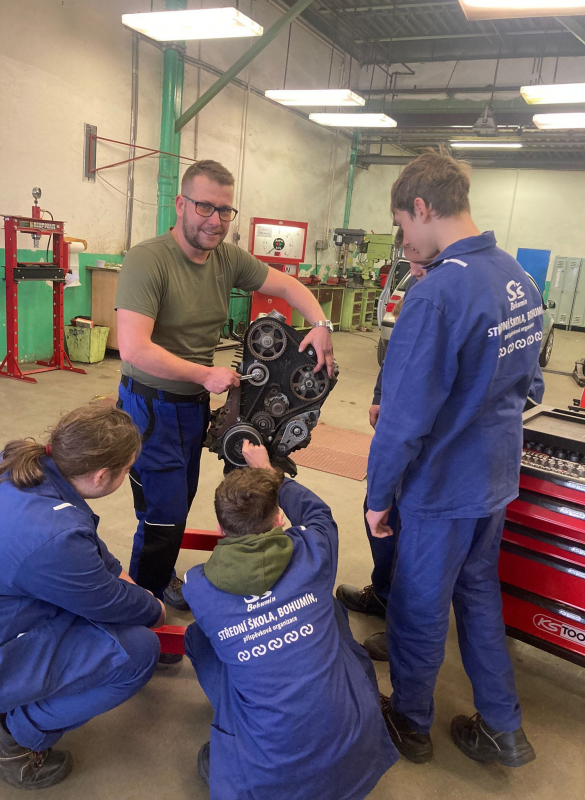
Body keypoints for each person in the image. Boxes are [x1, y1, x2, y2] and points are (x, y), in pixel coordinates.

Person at [366, 150, 542, 768]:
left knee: (418, 603)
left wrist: (378, 496)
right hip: (495, 478)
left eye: (402, 225)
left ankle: (410, 721)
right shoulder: (517, 278)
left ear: (421, 207)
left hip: (441, 485)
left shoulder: (437, 292)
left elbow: (403, 420)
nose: (404, 241)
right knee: (477, 594)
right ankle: (503, 727)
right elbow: (531, 386)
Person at [116, 160, 335, 628]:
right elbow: (134, 348)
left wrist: (320, 324)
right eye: (204, 207)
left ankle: (158, 578)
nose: (215, 220)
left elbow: (287, 284)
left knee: (176, 503)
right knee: (163, 518)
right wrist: (204, 374)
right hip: (150, 406)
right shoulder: (147, 259)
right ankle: (144, 616)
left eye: (224, 210)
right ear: (180, 204)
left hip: (193, 406)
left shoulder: (227, 259)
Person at [182, 440, 398, 800]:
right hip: (356, 758)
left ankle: (235, 747)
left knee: (199, 637)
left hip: (268, 784)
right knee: (329, 611)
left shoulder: (199, 588)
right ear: (279, 520)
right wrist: (270, 471)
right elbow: (318, 513)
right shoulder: (313, 552)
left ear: (221, 529)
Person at [0, 406, 164, 791]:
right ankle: (13, 739)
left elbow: (79, 540)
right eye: (127, 469)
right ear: (101, 475)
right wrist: (154, 609)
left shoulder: (11, 462)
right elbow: (106, 598)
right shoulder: (53, 536)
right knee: (137, 651)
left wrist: (117, 573)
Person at [337, 240, 429, 628]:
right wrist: (379, 397)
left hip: (427, 447)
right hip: (412, 438)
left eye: (418, 259)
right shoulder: (419, 292)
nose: (412, 268)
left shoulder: (441, 302)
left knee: (394, 519)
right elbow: (394, 357)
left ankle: (401, 620)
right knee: (385, 515)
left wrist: (378, 497)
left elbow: (406, 419)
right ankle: (385, 594)